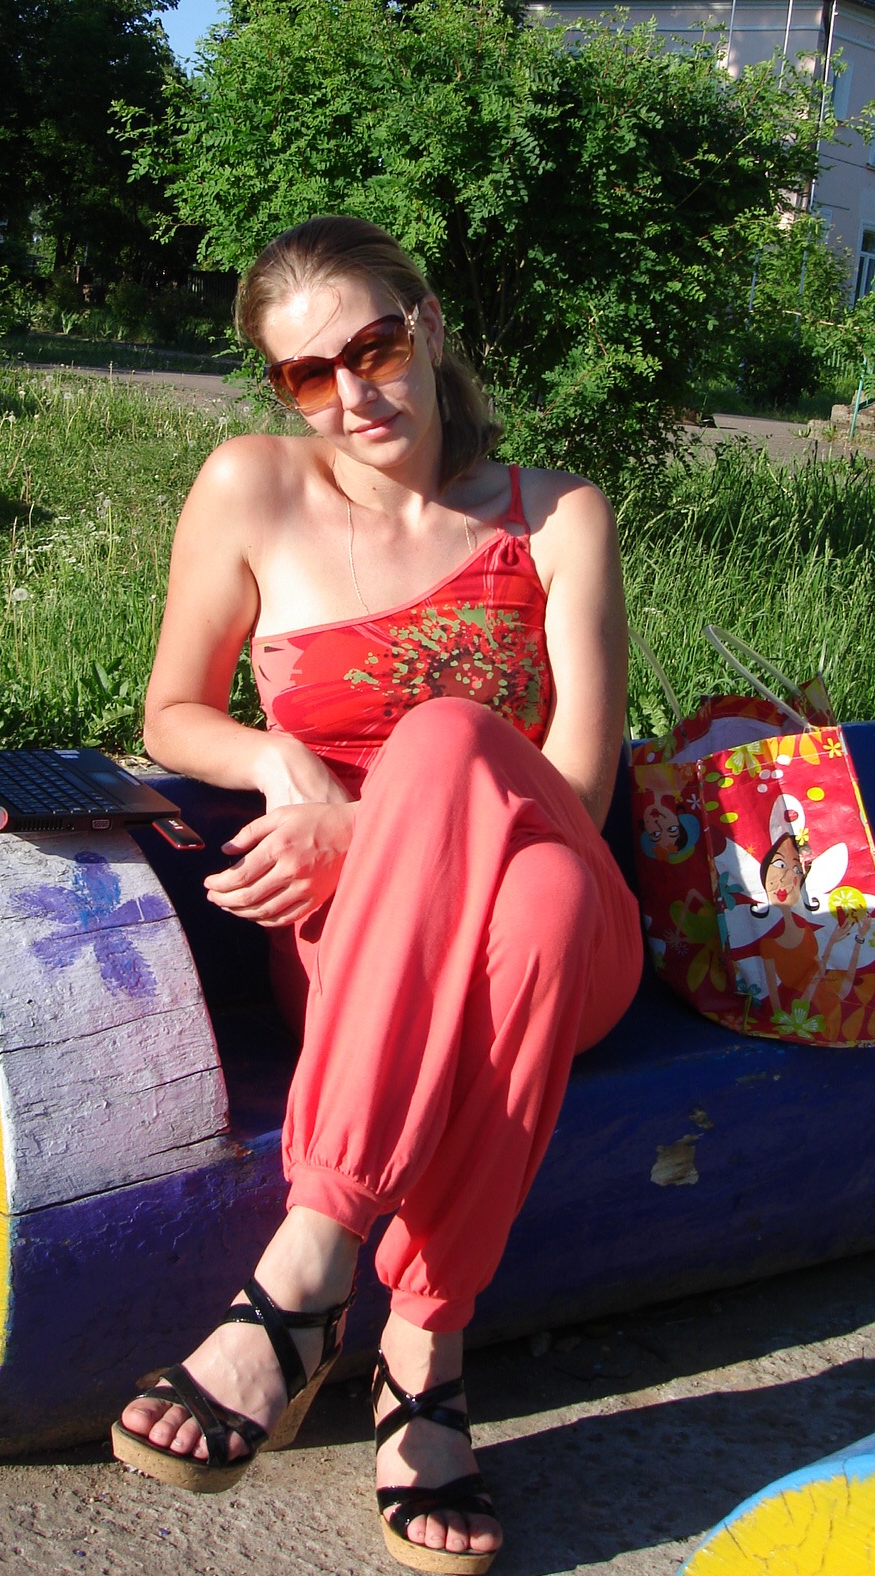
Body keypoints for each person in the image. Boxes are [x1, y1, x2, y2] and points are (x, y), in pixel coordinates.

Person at [114, 216, 644, 1573]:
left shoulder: (558, 516)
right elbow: (172, 712)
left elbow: (577, 791)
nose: (352, 393)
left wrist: (372, 822)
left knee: (459, 751)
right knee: (528, 912)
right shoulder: (251, 488)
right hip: (374, 957)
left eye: (375, 346)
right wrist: (279, 763)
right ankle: (426, 1351)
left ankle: (308, 1264)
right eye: (309, 372)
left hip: (568, 911)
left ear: (429, 325)